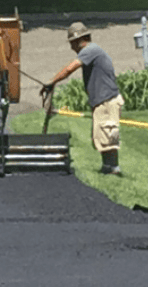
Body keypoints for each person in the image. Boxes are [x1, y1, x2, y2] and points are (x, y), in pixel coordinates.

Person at [42, 19, 122, 175]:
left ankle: (113, 168)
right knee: (100, 136)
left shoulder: (90, 50)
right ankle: (107, 167)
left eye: (72, 43)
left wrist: (52, 81)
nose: (71, 47)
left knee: (108, 134)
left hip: (107, 100)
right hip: (102, 100)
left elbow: (69, 69)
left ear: (79, 40)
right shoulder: (92, 50)